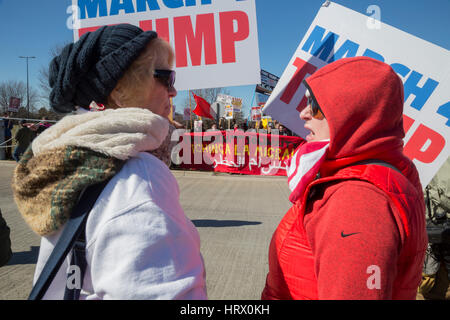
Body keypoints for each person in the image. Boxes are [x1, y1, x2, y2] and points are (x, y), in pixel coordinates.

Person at [11, 24, 207, 300]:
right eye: (166, 78)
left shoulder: (74, 160)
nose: (174, 92)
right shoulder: (138, 178)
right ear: (119, 91)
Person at [261, 57, 427, 300]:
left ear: (350, 112)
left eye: (315, 105)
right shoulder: (366, 176)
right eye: (307, 101)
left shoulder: (358, 201)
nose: (304, 113)